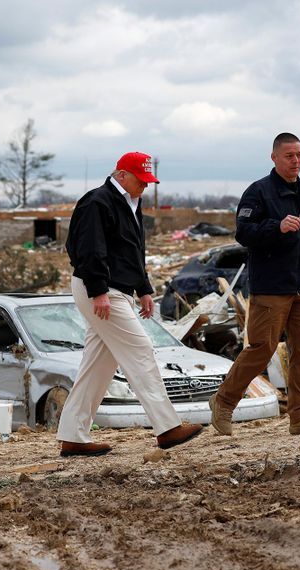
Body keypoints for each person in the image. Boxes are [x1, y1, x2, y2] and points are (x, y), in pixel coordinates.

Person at [59, 151, 204, 457]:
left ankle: (73, 435)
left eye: (149, 181)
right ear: (123, 174)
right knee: (140, 350)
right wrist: (98, 289)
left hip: (116, 288)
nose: (146, 187)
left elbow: (133, 251)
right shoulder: (97, 202)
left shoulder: (131, 203)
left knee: (98, 365)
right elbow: (88, 249)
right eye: (142, 180)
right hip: (99, 288)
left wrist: (144, 289)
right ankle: (167, 427)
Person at [209, 133, 300, 436]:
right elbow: (244, 233)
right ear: (274, 157)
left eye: (299, 155)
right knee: (261, 349)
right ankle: (223, 401)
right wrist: (276, 226)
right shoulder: (258, 192)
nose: (296, 161)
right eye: (289, 156)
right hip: (271, 288)